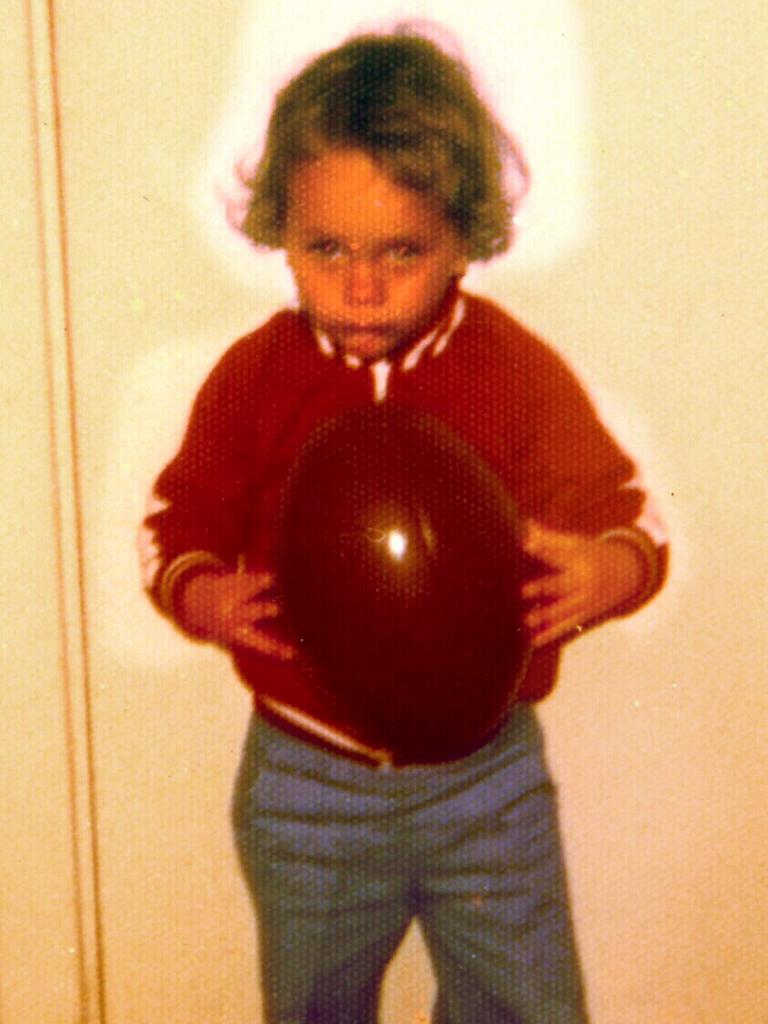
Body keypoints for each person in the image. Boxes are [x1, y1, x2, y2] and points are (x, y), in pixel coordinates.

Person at [140, 29, 667, 1024]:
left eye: (402, 251)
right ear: (281, 232)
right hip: (309, 778)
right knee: (313, 1008)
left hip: (487, 775)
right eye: (326, 248)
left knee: (528, 1008)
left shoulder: (509, 368)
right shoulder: (257, 379)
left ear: (463, 238)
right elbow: (175, 521)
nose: (362, 286)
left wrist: (610, 568)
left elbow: (622, 508)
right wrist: (201, 590)